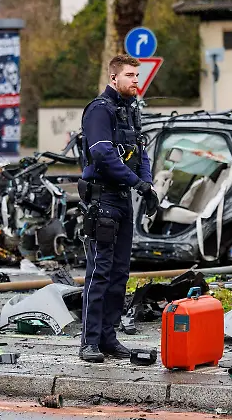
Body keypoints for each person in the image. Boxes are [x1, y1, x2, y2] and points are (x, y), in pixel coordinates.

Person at [76, 55, 157, 363]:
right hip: (103, 201)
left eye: (137, 75)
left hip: (123, 199)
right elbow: (103, 155)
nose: (136, 80)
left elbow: (142, 153)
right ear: (114, 79)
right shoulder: (99, 111)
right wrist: (138, 183)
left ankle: (108, 338)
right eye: (130, 75)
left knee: (120, 273)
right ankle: (90, 342)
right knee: (100, 272)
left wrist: (146, 185)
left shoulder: (130, 112)